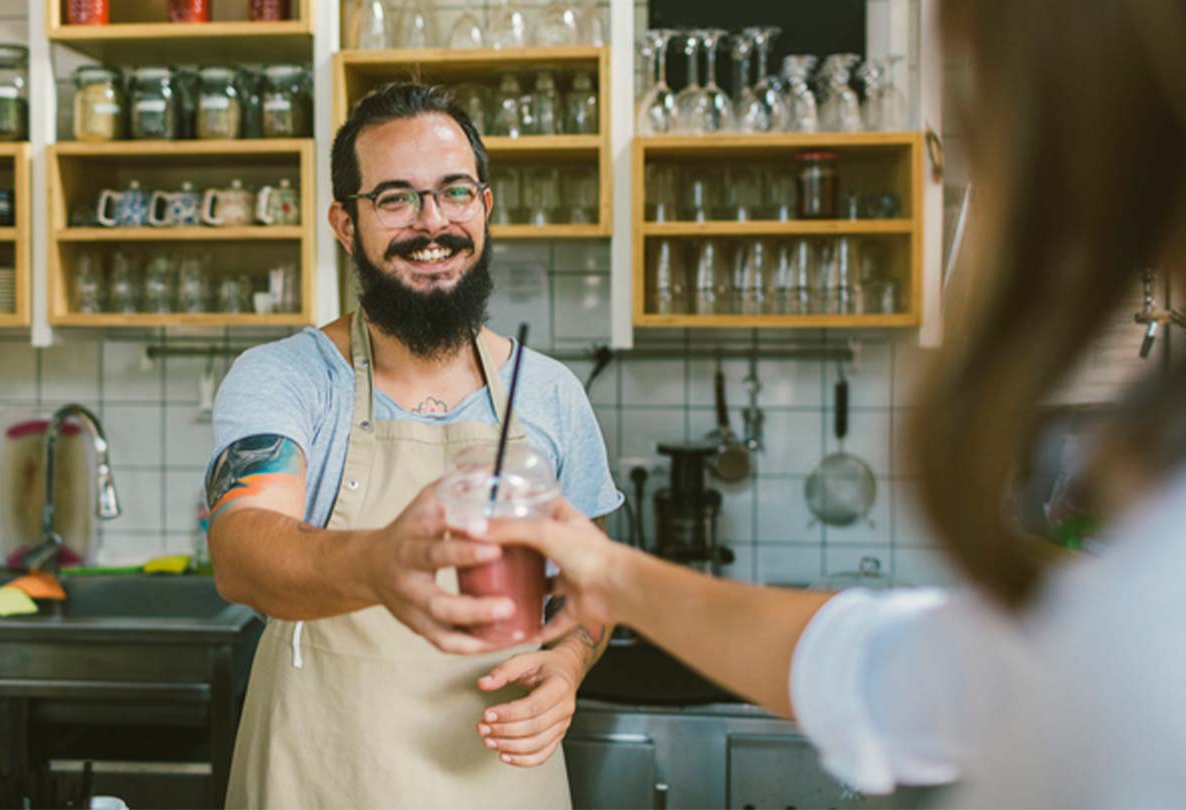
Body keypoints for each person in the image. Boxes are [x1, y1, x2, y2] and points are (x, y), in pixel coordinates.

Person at [486, 1, 1186, 806]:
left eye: (985, 104)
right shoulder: (1101, 609)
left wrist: (608, 579)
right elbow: (874, 667)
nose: (972, 164)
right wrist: (609, 572)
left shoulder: (1148, 621)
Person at [203, 83, 622, 808]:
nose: (433, 224)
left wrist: (565, 669)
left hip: (502, 782)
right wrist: (381, 562)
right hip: (323, 780)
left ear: (484, 206)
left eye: (455, 192)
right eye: (395, 199)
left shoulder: (549, 393)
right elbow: (243, 553)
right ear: (345, 223)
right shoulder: (287, 378)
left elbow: (590, 587)